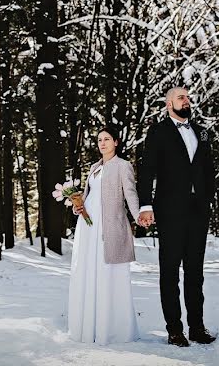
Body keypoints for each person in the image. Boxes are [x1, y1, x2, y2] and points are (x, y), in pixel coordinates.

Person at [136, 86, 217, 347]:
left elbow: (208, 169)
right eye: (181, 97)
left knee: (195, 271)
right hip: (169, 209)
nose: (187, 100)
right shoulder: (158, 131)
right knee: (169, 271)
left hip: (198, 210)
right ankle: (174, 330)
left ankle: (197, 327)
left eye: (188, 97)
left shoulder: (201, 132)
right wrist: (145, 205)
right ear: (169, 103)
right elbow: (147, 169)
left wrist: (208, 200)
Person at [67, 126, 141, 344]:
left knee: (108, 273)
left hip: (109, 226)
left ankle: (112, 329)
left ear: (116, 142)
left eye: (107, 139)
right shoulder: (94, 167)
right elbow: (89, 195)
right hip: (88, 226)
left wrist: (139, 216)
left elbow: (130, 193)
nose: (102, 143)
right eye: (99, 139)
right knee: (88, 270)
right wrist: (77, 207)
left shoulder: (123, 166)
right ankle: (88, 326)